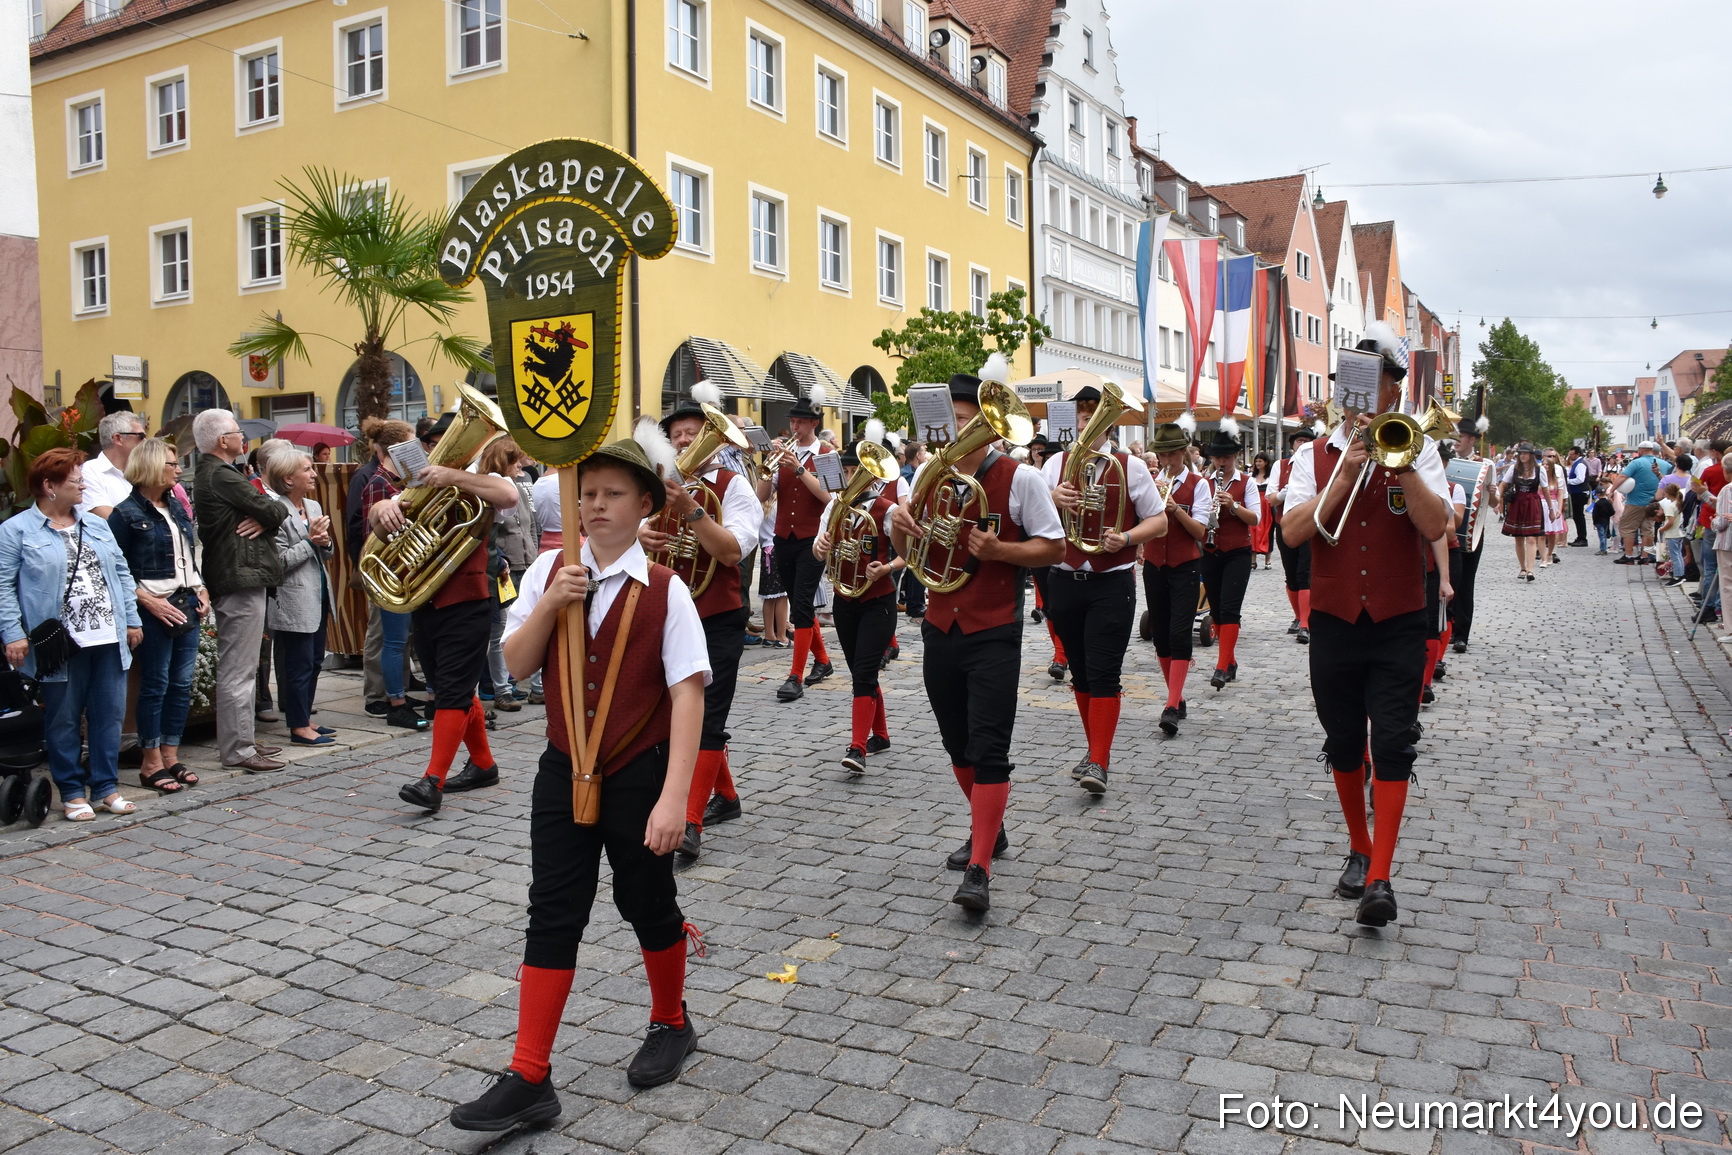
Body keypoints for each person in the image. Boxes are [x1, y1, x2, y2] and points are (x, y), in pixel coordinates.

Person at [452, 440, 709, 1131]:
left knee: (647, 899)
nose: (595, 505)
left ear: (645, 505)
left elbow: (688, 695)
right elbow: (516, 661)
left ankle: (671, 1020)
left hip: (640, 770)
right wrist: (551, 604)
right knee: (553, 908)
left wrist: (674, 801)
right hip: (562, 766)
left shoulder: (666, 588)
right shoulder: (548, 569)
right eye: (586, 491)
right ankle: (530, 1073)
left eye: (612, 494)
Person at [1280, 329, 1451, 928]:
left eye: (1370, 380)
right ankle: (1359, 843)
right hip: (1334, 620)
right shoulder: (1313, 455)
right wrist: (1345, 476)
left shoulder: (1419, 447)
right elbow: (1294, 532)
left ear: (1392, 388)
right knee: (1344, 741)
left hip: (1400, 619)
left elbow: (1438, 527)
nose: (1356, 394)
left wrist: (1401, 468)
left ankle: (1381, 875)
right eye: (1347, 380)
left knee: (1394, 742)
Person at [890, 368, 1064, 914]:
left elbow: (1054, 548)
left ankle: (980, 866)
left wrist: (1001, 553)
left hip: (994, 627)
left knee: (989, 748)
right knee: (956, 744)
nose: (953, 435)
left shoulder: (1023, 479)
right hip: (940, 623)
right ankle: (991, 830)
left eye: (965, 423)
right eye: (949, 424)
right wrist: (899, 523)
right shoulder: (927, 478)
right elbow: (910, 549)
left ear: (989, 428)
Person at [372, 426, 521, 813]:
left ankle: (432, 780)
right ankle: (484, 765)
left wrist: (453, 476)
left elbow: (509, 495)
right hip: (424, 600)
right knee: (452, 689)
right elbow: (377, 521)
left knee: (452, 693)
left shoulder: (480, 482)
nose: (441, 451)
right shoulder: (419, 487)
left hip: (469, 601)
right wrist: (381, 508)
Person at [637, 395, 761, 860]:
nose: (684, 440)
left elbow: (731, 552)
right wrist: (639, 536)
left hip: (715, 614)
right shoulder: (652, 484)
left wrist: (690, 507)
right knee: (672, 714)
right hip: (666, 612)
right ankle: (725, 796)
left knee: (708, 719)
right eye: (678, 434)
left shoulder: (732, 487)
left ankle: (690, 822)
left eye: (694, 432)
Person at [0, 448, 143, 819]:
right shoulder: (16, 531)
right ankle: (71, 791)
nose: (83, 484)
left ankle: (106, 787)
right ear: (49, 486)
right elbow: (2, 587)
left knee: (109, 715)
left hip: (107, 637)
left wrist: (132, 619)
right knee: (63, 717)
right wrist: (13, 634)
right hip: (60, 644)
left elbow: (122, 574)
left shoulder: (95, 524)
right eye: (75, 479)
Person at [1041, 388, 1166, 793]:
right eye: (1078, 414)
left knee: (1104, 671)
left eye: (1090, 415)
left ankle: (1099, 759)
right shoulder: (1056, 463)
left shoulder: (1130, 465)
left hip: (1111, 582)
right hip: (1064, 579)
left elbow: (1159, 521)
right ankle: (1095, 749)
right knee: (1079, 669)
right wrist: (1052, 497)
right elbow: (1029, 518)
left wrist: (1128, 536)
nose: (1082, 422)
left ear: (1108, 423)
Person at [193, 409, 290, 774]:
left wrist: (264, 516)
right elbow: (275, 508)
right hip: (239, 578)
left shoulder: (220, 473)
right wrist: (267, 514)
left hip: (241, 575)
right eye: (237, 432)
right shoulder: (221, 474)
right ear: (223, 440)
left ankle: (244, 742)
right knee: (239, 669)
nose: (243, 438)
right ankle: (237, 748)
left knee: (244, 668)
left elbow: (267, 510)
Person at [109, 438, 206, 793]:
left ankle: (170, 754)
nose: (178, 469)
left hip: (186, 603)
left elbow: (189, 555)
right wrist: (145, 600)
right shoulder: (126, 513)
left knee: (180, 685)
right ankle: (150, 762)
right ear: (151, 466)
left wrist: (202, 589)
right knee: (155, 684)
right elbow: (114, 568)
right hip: (155, 610)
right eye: (171, 464)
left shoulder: (176, 507)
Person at [812, 437, 902, 776]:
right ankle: (880, 734)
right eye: (846, 470)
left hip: (877, 600)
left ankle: (857, 748)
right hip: (844, 599)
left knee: (863, 673)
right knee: (860, 671)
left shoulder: (887, 509)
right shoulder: (833, 507)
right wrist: (820, 548)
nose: (850, 476)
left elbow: (911, 552)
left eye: (856, 470)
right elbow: (817, 554)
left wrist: (888, 567)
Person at [754, 391, 836, 701]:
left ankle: (795, 676)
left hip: (813, 539)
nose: (794, 426)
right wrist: (769, 465)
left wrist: (800, 469)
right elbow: (762, 494)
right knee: (799, 601)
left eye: (800, 421)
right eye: (792, 421)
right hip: (782, 537)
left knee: (801, 604)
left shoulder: (826, 454)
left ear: (814, 423)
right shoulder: (782, 454)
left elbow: (830, 497)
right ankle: (824, 661)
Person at [358, 420, 432, 733]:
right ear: (397, 449)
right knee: (394, 641)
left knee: (408, 640)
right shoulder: (379, 482)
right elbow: (376, 532)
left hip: (409, 570)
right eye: (412, 445)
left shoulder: (399, 479)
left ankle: (406, 697)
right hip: (392, 573)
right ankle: (396, 704)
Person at [1140, 422, 1213, 737]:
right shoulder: (1151, 482)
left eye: (1172, 453)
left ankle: (1171, 705)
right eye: (1163, 454)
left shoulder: (1199, 485)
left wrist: (1175, 510)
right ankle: (1177, 695)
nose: (1167, 460)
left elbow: (1201, 532)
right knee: (1160, 635)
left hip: (1185, 565)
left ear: (1184, 452)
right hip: (1154, 564)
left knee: (1180, 633)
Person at [265, 449, 335, 746]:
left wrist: (326, 542)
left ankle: (305, 717)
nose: (314, 474)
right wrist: (311, 541)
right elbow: (277, 561)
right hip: (293, 598)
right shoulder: (275, 510)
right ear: (288, 478)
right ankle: (297, 725)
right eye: (307, 469)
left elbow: (326, 551)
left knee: (316, 660)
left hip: (319, 593)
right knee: (299, 663)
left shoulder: (313, 505)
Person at [1197, 424, 1262, 692]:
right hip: (1210, 551)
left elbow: (1255, 518)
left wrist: (1232, 505)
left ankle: (1221, 667)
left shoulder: (1247, 482)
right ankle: (1230, 660)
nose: (1221, 462)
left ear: (1235, 457)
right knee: (1217, 609)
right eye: (1217, 457)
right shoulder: (1203, 481)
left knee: (1230, 608)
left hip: (1237, 552)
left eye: (1226, 457)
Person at [482, 438, 540, 713]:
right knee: (498, 631)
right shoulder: (493, 488)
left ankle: (515, 683)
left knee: (524, 624)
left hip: (525, 562)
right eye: (514, 460)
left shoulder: (519, 485)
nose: (520, 464)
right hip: (504, 566)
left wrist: (534, 555)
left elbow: (531, 526)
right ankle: (502, 689)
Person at [1448, 418, 1495, 651]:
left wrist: (1493, 492)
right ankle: (1444, 627)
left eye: (1461, 436)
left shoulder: (1485, 465)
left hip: (1472, 532)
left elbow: (1494, 503)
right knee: (1447, 580)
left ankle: (1461, 634)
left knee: (1466, 582)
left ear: (1472, 439)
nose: (1456, 441)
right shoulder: (1445, 460)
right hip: (1446, 531)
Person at [1270, 427, 1317, 643]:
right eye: (1299, 440)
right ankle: (1298, 617)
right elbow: (1271, 499)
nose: (1302, 444)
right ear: (1292, 444)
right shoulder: (1280, 466)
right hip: (1285, 524)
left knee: (1305, 572)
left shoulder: (1316, 465)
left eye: (1307, 440)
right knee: (1290, 572)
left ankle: (1306, 624)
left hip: (1309, 525)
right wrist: (1283, 493)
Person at [78, 411, 148, 518]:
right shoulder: (90, 472)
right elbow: (110, 520)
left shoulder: (146, 471)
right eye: (140, 436)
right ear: (118, 439)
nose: (145, 442)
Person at [1616, 441, 1670, 564]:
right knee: (1648, 529)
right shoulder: (1665, 464)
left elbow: (1623, 477)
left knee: (1628, 528)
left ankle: (1629, 556)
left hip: (1635, 501)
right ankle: (1645, 556)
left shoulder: (1636, 462)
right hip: (1654, 503)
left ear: (1641, 450)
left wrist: (1612, 490)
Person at [1500, 444, 1546, 581]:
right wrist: (1498, 501)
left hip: (1532, 503)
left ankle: (1530, 570)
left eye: (1525, 453)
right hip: (1517, 503)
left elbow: (1545, 489)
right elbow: (1503, 484)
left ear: (1531, 455)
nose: (1522, 456)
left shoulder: (1539, 470)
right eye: (1521, 453)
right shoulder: (1514, 469)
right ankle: (1523, 568)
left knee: (1532, 537)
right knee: (1519, 537)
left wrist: (1550, 508)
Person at [1249, 452, 1274, 568]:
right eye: (1256, 461)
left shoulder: (1271, 477)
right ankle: (1253, 560)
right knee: (1253, 530)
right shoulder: (1251, 477)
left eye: (1260, 461)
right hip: (1255, 504)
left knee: (1267, 530)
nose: (1258, 463)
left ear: (1266, 462)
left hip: (1267, 506)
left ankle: (1267, 560)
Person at [1658, 483, 1686, 584]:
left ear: (1669, 493)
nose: (1664, 495)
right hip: (1679, 533)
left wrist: (1663, 529)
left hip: (1672, 534)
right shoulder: (1678, 503)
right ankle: (1681, 573)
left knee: (1674, 556)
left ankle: (1677, 575)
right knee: (1678, 555)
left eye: (1665, 493)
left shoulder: (1670, 506)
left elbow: (1670, 522)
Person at [1566, 447, 1590, 546]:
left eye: (1572, 454)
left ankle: (1582, 538)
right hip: (1577, 492)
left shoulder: (1580, 464)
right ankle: (1580, 536)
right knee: (1577, 516)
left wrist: (1567, 481)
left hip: (1579, 492)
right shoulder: (1577, 463)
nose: (1570, 456)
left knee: (1579, 516)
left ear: (1578, 454)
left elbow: (1580, 479)